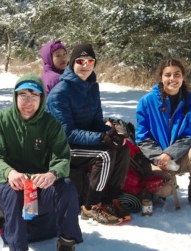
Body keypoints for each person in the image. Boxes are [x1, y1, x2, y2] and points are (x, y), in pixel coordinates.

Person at [0, 72, 83, 251]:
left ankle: (66, 247)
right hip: (9, 184)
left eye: (34, 96)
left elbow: (62, 158)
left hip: (41, 185)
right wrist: (10, 172)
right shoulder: (0, 121)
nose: (28, 102)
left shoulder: (51, 124)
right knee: (14, 194)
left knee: (66, 186)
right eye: (23, 95)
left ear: (42, 98)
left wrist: (52, 173)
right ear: (15, 96)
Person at [46, 44, 130, 225]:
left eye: (89, 61)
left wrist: (112, 133)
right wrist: (101, 138)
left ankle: (111, 199)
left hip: (79, 141)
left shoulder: (91, 87)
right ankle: (91, 205)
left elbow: (95, 122)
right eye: (80, 61)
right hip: (59, 147)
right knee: (105, 154)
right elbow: (66, 133)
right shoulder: (59, 93)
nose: (85, 65)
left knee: (123, 148)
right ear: (71, 63)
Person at [135, 58, 191, 210]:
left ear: (183, 77)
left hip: (180, 155)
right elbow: (142, 138)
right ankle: (167, 185)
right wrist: (159, 158)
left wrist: (170, 154)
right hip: (155, 158)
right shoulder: (147, 102)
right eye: (167, 75)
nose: (172, 79)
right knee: (164, 190)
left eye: (177, 74)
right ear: (161, 78)